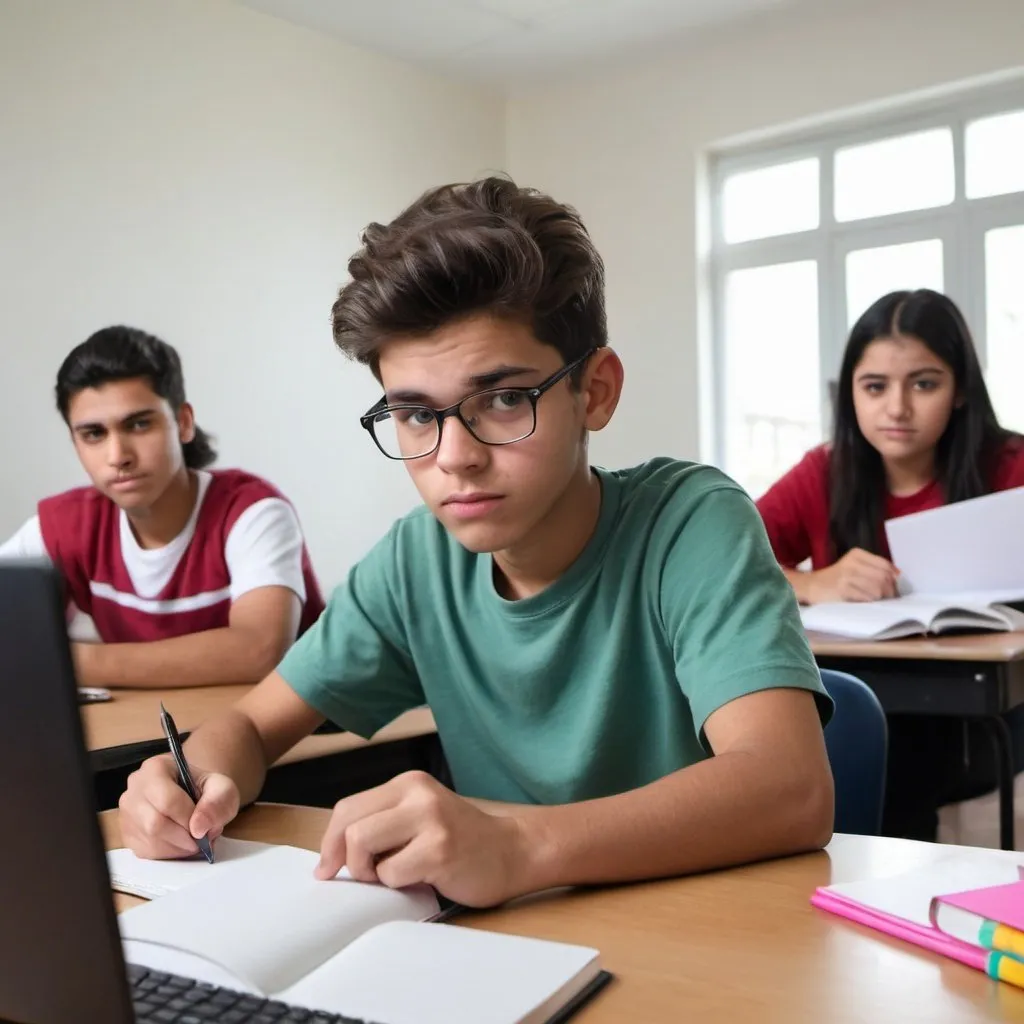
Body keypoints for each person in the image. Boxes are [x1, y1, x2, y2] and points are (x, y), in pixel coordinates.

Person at [119, 177, 833, 908]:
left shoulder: (690, 522)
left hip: (704, 936)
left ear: (594, 391)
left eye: (502, 399)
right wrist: (189, 779)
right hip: (512, 942)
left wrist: (524, 846)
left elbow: (790, 786)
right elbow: (249, 725)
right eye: (415, 415)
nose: (454, 456)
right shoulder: (414, 562)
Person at [757, 288, 1024, 839]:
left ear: (959, 391)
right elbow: (729, 559)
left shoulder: (1010, 466)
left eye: (924, 384)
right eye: (874, 386)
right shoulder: (824, 472)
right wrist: (812, 581)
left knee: (904, 759)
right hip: (858, 691)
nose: (897, 408)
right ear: (850, 393)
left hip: (985, 706)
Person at [0, 326, 324, 688]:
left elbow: (259, 651)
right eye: (94, 434)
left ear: (183, 422)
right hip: (155, 734)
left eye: (139, 424)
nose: (117, 456)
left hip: (303, 737)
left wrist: (68, 662)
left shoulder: (251, 512)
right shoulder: (64, 526)